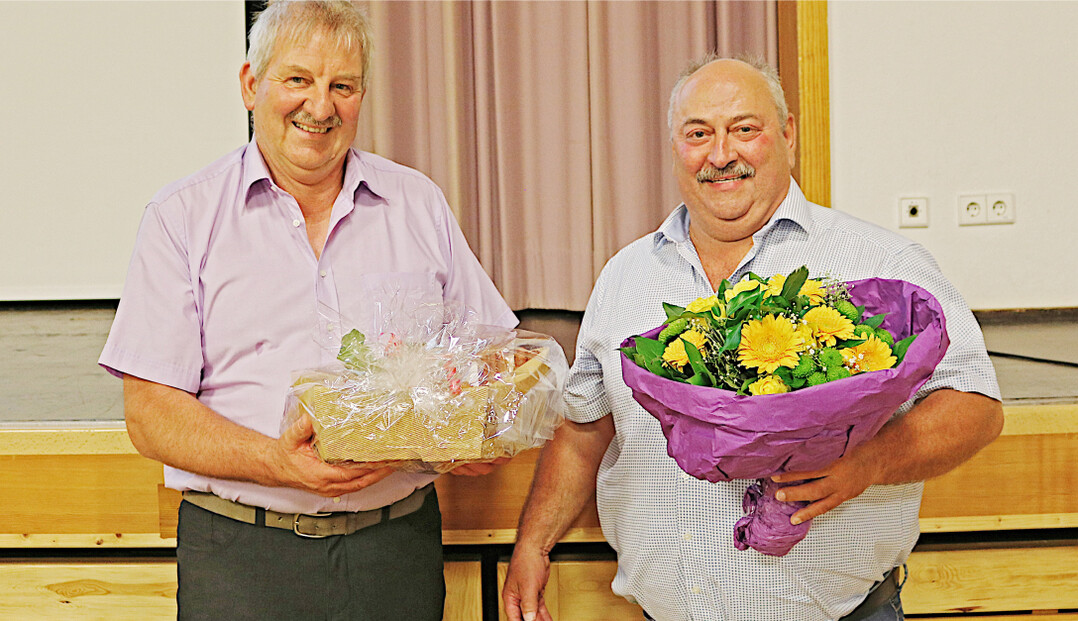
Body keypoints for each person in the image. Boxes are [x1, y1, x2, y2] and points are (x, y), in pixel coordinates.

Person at [502, 55, 1004, 621]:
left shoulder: (881, 261)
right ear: (674, 146)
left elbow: (975, 407)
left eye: (745, 129)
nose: (721, 155)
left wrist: (870, 462)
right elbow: (584, 430)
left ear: (787, 133)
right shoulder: (626, 275)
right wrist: (533, 544)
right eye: (699, 134)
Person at [99, 2, 515, 619]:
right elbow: (150, 416)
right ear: (250, 85)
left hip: (394, 552)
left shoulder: (417, 203)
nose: (320, 107)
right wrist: (278, 462)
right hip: (240, 554)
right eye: (298, 79)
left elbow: (493, 358)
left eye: (341, 86)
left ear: (361, 96)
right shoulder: (181, 218)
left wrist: (478, 430)